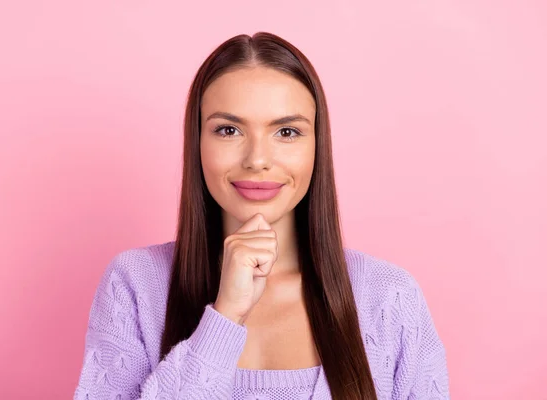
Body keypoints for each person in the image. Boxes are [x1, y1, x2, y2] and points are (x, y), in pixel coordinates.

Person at [73, 32, 449, 400]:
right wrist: (225, 317)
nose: (257, 159)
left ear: (317, 146)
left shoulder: (390, 297)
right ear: (197, 142)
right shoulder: (134, 285)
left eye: (287, 131)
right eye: (229, 130)